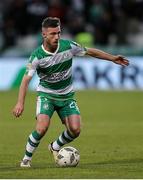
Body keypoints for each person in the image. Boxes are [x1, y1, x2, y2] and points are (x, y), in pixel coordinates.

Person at [12, 17, 129, 167]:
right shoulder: (37, 56)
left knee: (75, 130)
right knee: (41, 127)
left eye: (59, 33)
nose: (57, 37)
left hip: (67, 96)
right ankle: (26, 160)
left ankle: (54, 146)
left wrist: (112, 58)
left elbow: (90, 52)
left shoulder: (68, 46)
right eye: (53, 34)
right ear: (44, 35)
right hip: (47, 95)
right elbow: (25, 81)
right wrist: (20, 103)